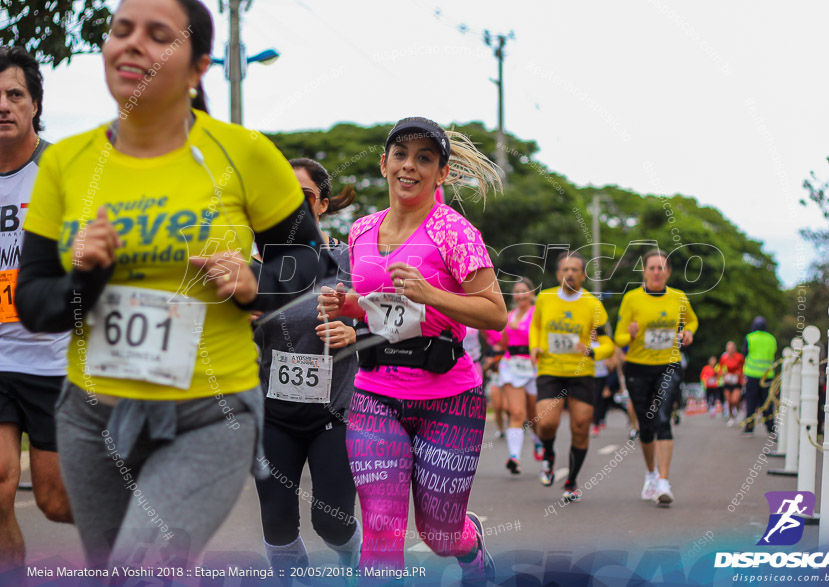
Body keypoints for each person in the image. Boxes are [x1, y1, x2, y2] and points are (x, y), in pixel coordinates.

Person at [15, 0, 328, 568]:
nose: (131, 44)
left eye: (158, 35)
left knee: (144, 567)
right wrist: (87, 277)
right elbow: (38, 306)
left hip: (209, 413)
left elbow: (308, 258)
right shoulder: (66, 163)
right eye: (120, 30)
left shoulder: (244, 153)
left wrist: (256, 283)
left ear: (197, 67)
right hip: (94, 415)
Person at [317, 117, 506, 583]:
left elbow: (494, 313)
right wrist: (348, 305)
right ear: (384, 164)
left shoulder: (454, 233)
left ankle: (470, 543)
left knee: (441, 534)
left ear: (441, 173)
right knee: (381, 530)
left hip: (449, 398)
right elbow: (380, 311)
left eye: (425, 158)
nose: (410, 166)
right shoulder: (361, 231)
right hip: (374, 394)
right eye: (401, 154)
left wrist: (431, 294)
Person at [251, 159, 361, 577]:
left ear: (323, 205)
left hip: (334, 415)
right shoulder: (255, 268)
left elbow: (387, 321)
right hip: (272, 416)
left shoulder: (348, 259)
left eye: (305, 196)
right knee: (277, 527)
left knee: (331, 523)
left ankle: (352, 555)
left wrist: (356, 334)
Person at [0, 46, 73, 573]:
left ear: (35, 104)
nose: (3, 105)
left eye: (14, 94)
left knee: (54, 500)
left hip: (55, 359)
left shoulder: (65, 173)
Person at [614, 250, 697, 507]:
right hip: (638, 367)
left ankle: (664, 481)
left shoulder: (679, 298)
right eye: (652, 267)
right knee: (646, 426)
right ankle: (650, 474)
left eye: (661, 267)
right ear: (645, 271)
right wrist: (630, 334)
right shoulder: (631, 299)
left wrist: (689, 333)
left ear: (668, 272)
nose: (657, 272)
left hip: (669, 365)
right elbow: (618, 338)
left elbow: (692, 321)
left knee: (662, 418)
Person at [529, 252, 613, 503]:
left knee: (580, 425)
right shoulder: (545, 298)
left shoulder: (593, 305)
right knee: (545, 423)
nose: (570, 274)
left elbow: (607, 341)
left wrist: (593, 350)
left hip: (580, 372)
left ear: (583, 275)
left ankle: (571, 481)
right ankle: (549, 455)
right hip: (550, 369)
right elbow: (536, 326)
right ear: (558, 274)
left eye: (575, 269)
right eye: (565, 270)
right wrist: (534, 346)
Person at [498, 277, 540, 474]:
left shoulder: (537, 314)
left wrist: (520, 329)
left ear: (531, 294)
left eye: (524, 291)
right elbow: (503, 341)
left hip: (533, 366)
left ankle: (539, 439)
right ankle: (514, 457)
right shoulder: (509, 315)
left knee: (535, 415)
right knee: (517, 413)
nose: (520, 295)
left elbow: (538, 337)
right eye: (517, 291)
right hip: (512, 364)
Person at [742, 317, 777, 437]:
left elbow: (745, 354)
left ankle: (749, 427)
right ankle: (770, 428)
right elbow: (773, 354)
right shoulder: (771, 339)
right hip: (767, 376)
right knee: (767, 403)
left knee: (751, 402)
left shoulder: (749, 337)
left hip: (752, 375)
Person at [719, 340, 745, 425]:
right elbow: (720, 368)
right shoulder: (724, 357)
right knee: (729, 401)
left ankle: (738, 412)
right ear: (726, 349)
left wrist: (740, 373)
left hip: (736, 382)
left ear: (735, 349)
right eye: (728, 348)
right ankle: (731, 417)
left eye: (732, 348)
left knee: (735, 400)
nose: (730, 350)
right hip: (727, 382)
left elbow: (744, 367)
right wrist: (723, 374)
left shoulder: (739, 357)